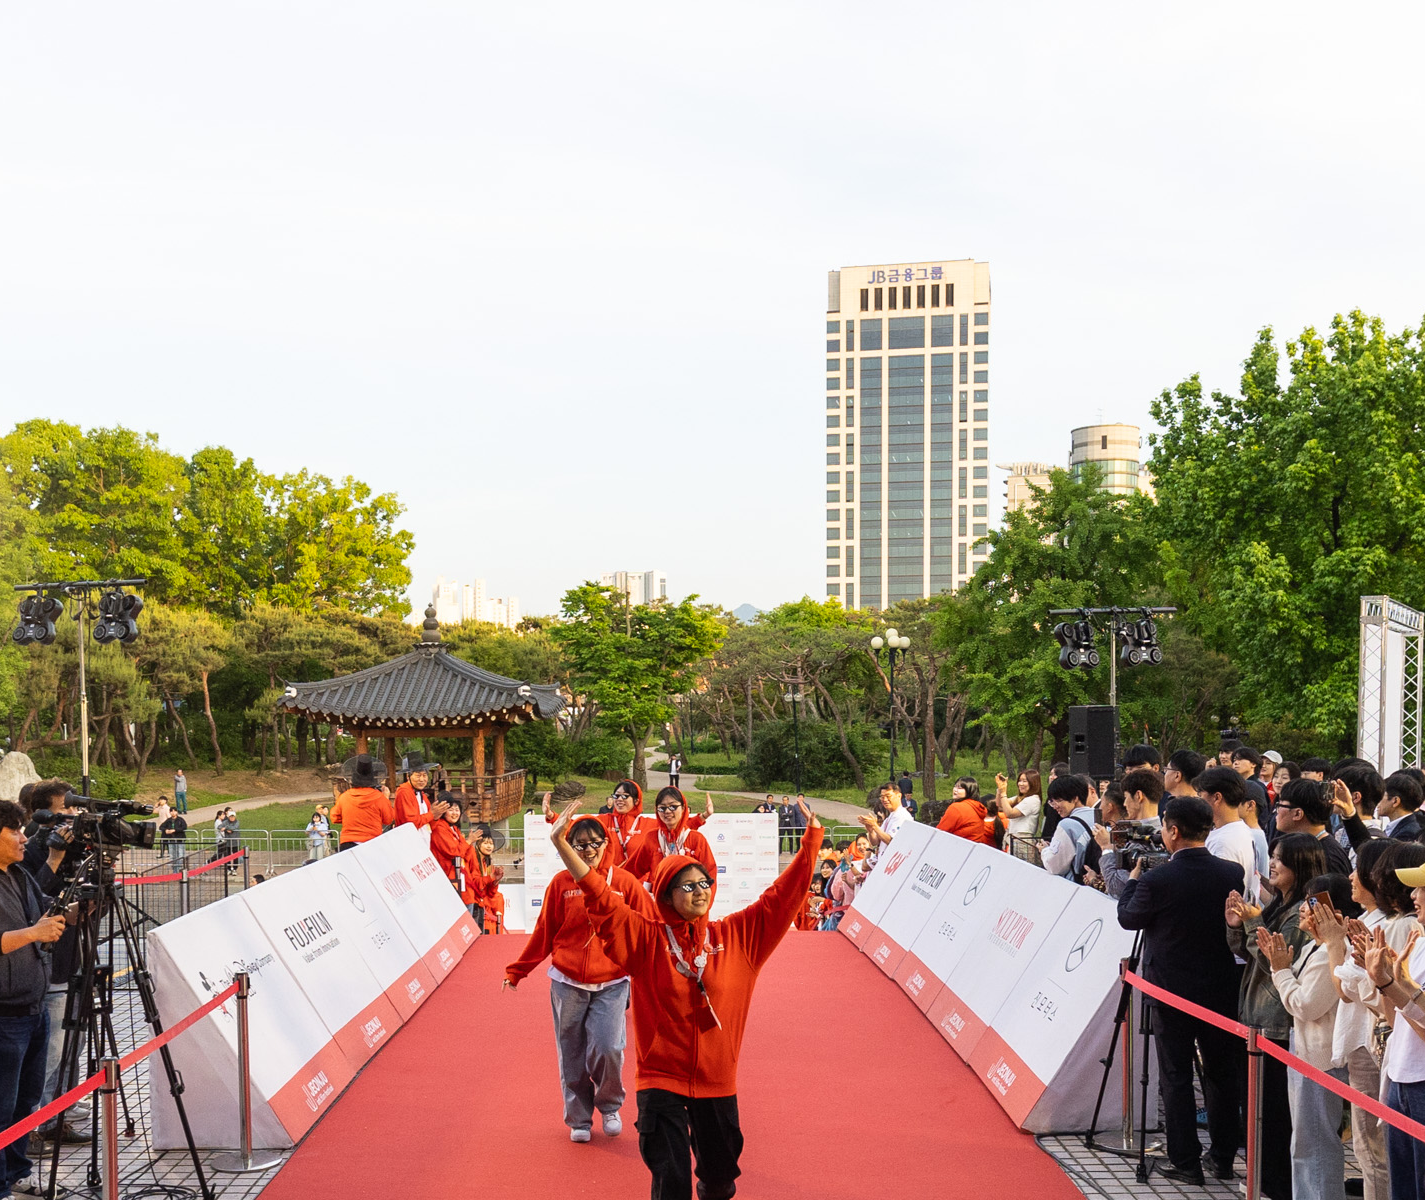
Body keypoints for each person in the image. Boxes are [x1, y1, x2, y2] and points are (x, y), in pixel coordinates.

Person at [548, 793, 824, 1200]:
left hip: (717, 1082)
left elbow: (781, 899)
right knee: (670, 1179)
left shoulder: (737, 938)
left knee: (719, 1180)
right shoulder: (645, 940)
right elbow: (601, 899)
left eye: (704, 883)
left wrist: (811, 842)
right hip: (660, 1079)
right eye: (687, 885)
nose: (700, 892)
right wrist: (562, 846)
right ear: (664, 895)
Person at [504, 815, 657, 1141]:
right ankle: (579, 1120)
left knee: (608, 1048)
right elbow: (545, 931)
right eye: (580, 845)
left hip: (613, 983)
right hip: (567, 982)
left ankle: (610, 1105)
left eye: (594, 844)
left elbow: (650, 923)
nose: (588, 851)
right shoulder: (561, 883)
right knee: (571, 1053)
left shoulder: (625, 883)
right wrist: (518, 969)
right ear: (570, 847)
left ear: (606, 844)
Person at [1117, 796, 1244, 1186]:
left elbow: (1128, 918)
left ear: (1172, 830)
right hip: (1221, 987)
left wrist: (1133, 880)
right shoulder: (1231, 872)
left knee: (1175, 1076)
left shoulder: (1157, 879)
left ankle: (1185, 1160)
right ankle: (1222, 1157)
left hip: (1170, 990)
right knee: (1222, 1075)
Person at [1227, 832, 1329, 1200]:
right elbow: (1255, 953)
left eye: (1280, 858)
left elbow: (1276, 958)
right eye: (1272, 855)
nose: (1272, 863)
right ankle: (1263, 1177)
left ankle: (1274, 1182)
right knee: (1259, 1108)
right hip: (1257, 1014)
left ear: (1299, 865)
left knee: (1274, 1115)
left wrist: (1254, 925)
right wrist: (1238, 925)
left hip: (1276, 1023)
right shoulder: (1281, 903)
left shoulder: (1302, 911)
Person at [1261, 873, 1360, 1200]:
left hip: (1318, 1060)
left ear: (1331, 910)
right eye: (1306, 900)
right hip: (1306, 1054)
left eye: (1313, 902)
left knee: (1314, 1143)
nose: (1305, 908)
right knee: (1305, 1142)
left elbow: (1306, 1005)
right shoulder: (1318, 948)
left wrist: (1280, 970)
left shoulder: (1331, 952)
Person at [0, 800, 68, 1196]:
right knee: (2, 1107)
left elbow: (42, 917)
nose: (23, 838)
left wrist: (80, 908)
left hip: (33, 1008)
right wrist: (32, 934)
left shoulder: (20, 874)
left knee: (24, 1103)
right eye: (14, 831)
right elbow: (29, 932)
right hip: (5, 1016)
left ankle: (16, 1172)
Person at [1355, 850, 1425, 1200]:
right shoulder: (1419, 941)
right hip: (1400, 1075)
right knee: (1403, 1188)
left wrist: (1398, 989)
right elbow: (1393, 1015)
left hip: (1421, 1081)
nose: (1414, 896)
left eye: (1421, 888)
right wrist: (1382, 980)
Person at [545, 779, 656, 868]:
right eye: (616, 796)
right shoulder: (605, 820)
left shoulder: (648, 824)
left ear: (636, 800)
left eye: (625, 796)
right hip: (610, 882)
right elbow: (577, 826)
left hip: (638, 884)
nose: (619, 799)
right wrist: (552, 816)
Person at [1196, 766, 1263, 904]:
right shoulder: (1241, 830)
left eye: (1200, 795)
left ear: (1216, 797)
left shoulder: (1223, 841)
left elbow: (1218, 893)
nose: (1198, 801)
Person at [622, 789, 717, 883]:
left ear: (683, 808)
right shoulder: (652, 837)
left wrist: (704, 897)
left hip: (688, 896)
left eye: (673, 807)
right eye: (662, 808)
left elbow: (710, 874)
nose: (667, 811)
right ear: (656, 810)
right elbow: (632, 870)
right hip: (657, 896)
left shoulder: (696, 839)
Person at [1275, 778, 1353, 877]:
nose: (1276, 812)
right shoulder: (1309, 847)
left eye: (1280, 805)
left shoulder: (1327, 857)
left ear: (1298, 813)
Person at [331, 755, 396, 851]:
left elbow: (334, 817)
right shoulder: (379, 797)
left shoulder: (344, 797)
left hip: (348, 843)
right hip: (372, 842)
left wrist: (350, 818)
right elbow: (388, 819)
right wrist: (386, 798)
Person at [429, 794, 480, 910]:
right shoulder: (439, 828)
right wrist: (468, 841)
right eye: (451, 810)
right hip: (450, 880)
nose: (455, 813)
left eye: (457, 810)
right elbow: (454, 852)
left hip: (463, 880)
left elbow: (466, 854)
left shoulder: (455, 829)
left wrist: (468, 842)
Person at [1040, 774, 1095, 881]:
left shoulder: (1067, 825)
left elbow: (1055, 865)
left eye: (1059, 800)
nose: (1055, 806)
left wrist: (1045, 850)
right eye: (1052, 802)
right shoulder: (1098, 816)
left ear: (1075, 798)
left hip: (1079, 885)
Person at [392, 754, 449, 838]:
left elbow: (429, 824)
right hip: (409, 842)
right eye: (418, 775)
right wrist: (432, 814)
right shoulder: (404, 792)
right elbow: (410, 824)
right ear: (408, 776)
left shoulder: (422, 794)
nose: (422, 779)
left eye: (424, 775)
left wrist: (436, 816)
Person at [936, 776, 994, 846]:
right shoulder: (978, 807)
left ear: (970, 791)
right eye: (955, 786)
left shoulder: (957, 808)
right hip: (973, 847)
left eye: (960, 788)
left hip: (958, 847)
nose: (955, 790)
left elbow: (940, 832)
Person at [470, 826, 507, 934]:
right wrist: (491, 878)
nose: (489, 846)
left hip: (484, 900)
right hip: (476, 901)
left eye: (491, 843)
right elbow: (475, 884)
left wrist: (495, 880)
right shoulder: (474, 858)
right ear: (478, 844)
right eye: (485, 843)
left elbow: (491, 891)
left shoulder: (487, 862)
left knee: (498, 897)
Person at [995, 770, 1043, 839]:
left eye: (1024, 781)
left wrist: (1003, 793)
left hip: (1022, 839)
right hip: (1013, 837)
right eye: (1020, 781)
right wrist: (1000, 789)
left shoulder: (1033, 800)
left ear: (1033, 783)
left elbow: (1010, 814)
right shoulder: (1020, 797)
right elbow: (999, 804)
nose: (1020, 784)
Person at [159, 805, 188, 870]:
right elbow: (161, 827)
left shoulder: (180, 820)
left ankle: (180, 867)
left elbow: (184, 827)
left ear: (177, 812)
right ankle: (175, 868)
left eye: (174, 811)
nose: (173, 813)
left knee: (180, 854)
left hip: (179, 839)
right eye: (171, 811)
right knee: (172, 855)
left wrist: (175, 830)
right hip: (171, 840)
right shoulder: (168, 820)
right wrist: (166, 830)